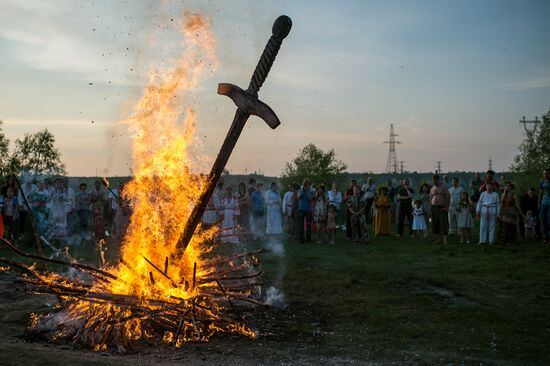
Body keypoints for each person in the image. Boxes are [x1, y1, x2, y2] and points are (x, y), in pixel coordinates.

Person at [47, 177, 70, 243]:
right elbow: (48, 198)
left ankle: (61, 240)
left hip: (62, 209)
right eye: (57, 183)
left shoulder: (64, 190)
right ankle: (53, 239)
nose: (59, 184)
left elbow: (67, 199)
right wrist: (53, 198)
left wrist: (62, 198)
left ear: (62, 183)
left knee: (61, 224)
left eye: (60, 183)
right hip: (54, 209)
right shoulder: (52, 190)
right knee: (54, 223)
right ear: (55, 183)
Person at [430, 175, 450, 245]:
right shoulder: (432, 188)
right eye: (433, 180)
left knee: (443, 223)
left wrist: (447, 207)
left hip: (442, 207)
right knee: (435, 224)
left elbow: (448, 196)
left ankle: (445, 240)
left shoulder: (444, 187)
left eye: (436, 180)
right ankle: (438, 239)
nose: (434, 181)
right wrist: (431, 207)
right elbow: (431, 198)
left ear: (439, 180)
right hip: (434, 207)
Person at [17, 173, 36, 239]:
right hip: (23, 206)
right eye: (27, 177)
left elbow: (36, 196)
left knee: (33, 221)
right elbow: (19, 196)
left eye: (30, 177)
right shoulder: (22, 186)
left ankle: (34, 234)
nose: (29, 179)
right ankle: (22, 234)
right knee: (22, 220)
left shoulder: (34, 186)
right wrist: (20, 206)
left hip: (32, 206)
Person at [297, 179, 314, 243]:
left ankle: (308, 239)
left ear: (310, 184)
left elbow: (310, 198)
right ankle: (301, 239)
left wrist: (307, 191)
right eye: (305, 183)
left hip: (308, 210)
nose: (307, 185)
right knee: (300, 225)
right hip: (301, 209)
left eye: (308, 184)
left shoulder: (311, 191)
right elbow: (299, 197)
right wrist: (302, 190)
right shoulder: (300, 190)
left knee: (309, 225)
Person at [540, 168, 550, 244]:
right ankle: (546, 238)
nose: (545, 175)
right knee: (543, 221)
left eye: (546, 173)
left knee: (549, 221)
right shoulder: (542, 182)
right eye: (544, 173)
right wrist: (538, 203)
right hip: (543, 204)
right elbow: (540, 193)